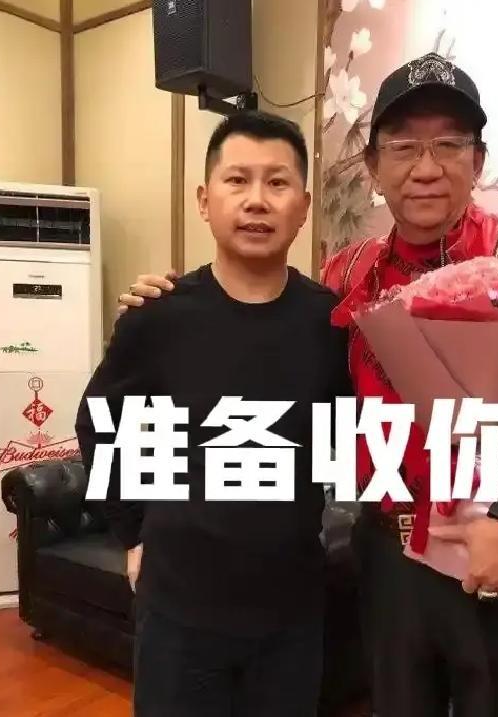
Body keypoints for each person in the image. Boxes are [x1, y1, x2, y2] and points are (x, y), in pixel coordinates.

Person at [118, 53, 498, 716]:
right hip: (388, 554)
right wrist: (165, 304)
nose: (426, 168)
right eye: (403, 147)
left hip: (496, 549)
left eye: (449, 144)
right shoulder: (346, 276)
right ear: (373, 167)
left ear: (478, 159)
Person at [76, 110, 352, 717]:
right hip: (179, 611)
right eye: (237, 180)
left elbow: (346, 443)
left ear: (303, 206)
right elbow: (100, 422)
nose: (256, 200)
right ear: (205, 200)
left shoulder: (331, 323)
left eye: (277, 183)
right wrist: (130, 533)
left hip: (291, 613)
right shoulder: (158, 316)